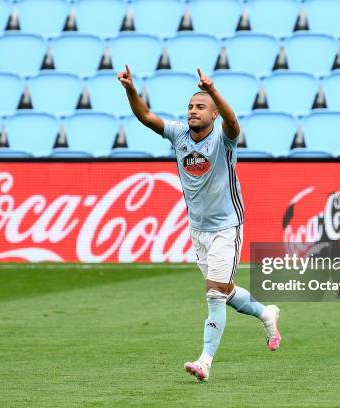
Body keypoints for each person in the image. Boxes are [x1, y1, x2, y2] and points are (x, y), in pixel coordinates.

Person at [118, 65, 281, 382]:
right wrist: (130, 90)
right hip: (198, 229)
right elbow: (146, 117)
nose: (193, 111)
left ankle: (205, 361)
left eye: (201, 107)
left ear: (214, 113)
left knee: (214, 295)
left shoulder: (224, 139)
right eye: (191, 106)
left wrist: (215, 92)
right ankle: (266, 313)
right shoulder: (178, 134)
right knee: (225, 291)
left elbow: (234, 123)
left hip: (226, 227)